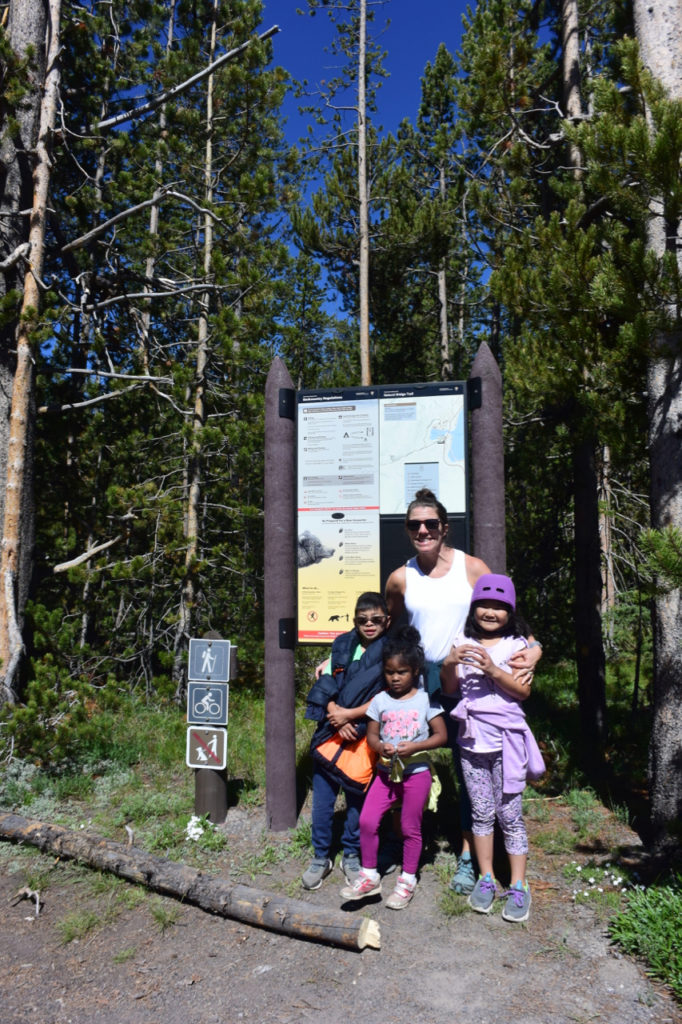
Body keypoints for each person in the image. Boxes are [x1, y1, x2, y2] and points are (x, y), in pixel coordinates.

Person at [384, 487, 542, 894]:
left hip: (468, 682)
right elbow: (386, 633)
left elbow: (506, 615)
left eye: (430, 524)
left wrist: (536, 649)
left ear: (444, 527)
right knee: (396, 761)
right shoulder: (400, 578)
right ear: (407, 530)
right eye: (415, 525)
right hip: (422, 682)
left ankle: (470, 858)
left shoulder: (471, 568)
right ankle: (387, 846)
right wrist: (336, 661)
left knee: (471, 770)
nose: (423, 530)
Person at [440, 573, 545, 923]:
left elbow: (523, 692)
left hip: (506, 743)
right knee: (481, 813)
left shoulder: (517, 646)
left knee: (510, 815)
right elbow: (451, 688)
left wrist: (492, 669)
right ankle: (486, 878)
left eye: (500, 607)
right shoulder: (463, 640)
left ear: (510, 612)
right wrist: (450, 663)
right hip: (471, 741)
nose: (491, 612)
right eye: (485, 604)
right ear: (474, 608)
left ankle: (518, 884)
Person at [339, 626, 447, 910]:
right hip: (385, 775)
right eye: (389, 672)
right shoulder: (380, 701)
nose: (395, 678)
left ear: (415, 671)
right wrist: (379, 747)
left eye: (402, 672)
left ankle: (408, 879)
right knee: (367, 821)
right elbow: (373, 736)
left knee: (410, 827)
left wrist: (416, 747)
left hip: (417, 775)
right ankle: (369, 876)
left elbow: (441, 735)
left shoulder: (425, 700)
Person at [301, 592, 390, 890]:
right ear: (354, 620)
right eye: (362, 620)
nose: (369, 625)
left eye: (376, 620)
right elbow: (325, 683)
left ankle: (350, 854)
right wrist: (334, 713)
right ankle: (320, 856)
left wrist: (349, 715)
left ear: (387, 621)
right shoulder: (342, 646)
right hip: (331, 730)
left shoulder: (392, 651)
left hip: (364, 734)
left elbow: (388, 695)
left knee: (357, 802)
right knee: (323, 802)